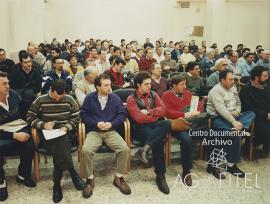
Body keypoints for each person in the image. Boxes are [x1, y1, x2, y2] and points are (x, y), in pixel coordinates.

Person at [127, 71, 189, 194]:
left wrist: (149, 112)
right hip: (140, 128)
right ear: (138, 85)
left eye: (150, 83)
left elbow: (164, 110)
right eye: (146, 84)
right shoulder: (131, 99)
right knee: (159, 141)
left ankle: (145, 149)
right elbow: (138, 118)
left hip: (155, 125)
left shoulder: (153, 94)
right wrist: (155, 114)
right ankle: (160, 176)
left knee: (167, 123)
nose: (150, 86)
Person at [26, 80, 84, 203]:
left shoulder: (69, 99)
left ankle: (57, 185)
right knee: (61, 147)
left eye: (61, 97)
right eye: (57, 97)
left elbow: (77, 117)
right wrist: (43, 124)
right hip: (48, 134)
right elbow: (29, 117)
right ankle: (73, 173)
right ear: (51, 91)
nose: (59, 100)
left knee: (61, 144)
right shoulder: (40, 100)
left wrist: (67, 127)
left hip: (65, 133)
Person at [80, 74, 131, 198]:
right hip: (94, 131)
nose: (109, 87)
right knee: (86, 150)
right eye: (106, 85)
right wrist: (96, 123)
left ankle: (118, 178)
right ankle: (90, 179)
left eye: (109, 84)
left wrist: (111, 124)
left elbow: (122, 114)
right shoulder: (89, 98)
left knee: (124, 149)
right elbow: (83, 115)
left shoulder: (115, 98)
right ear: (98, 87)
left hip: (110, 131)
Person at [207, 70, 255, 178]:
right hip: (219, 117)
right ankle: (231, 165)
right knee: (235, 135)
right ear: (222, 80)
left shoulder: (233, 88)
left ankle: (239, 127)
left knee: (251, 113)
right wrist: (233, 121)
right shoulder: (216, 91)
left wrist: (237, 112)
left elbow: (238, 103)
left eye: (233, 79)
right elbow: (221, 110)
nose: (233, 81)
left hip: (234, 115)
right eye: (230, 79)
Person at [0, 72, 36, 202]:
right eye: (4, 84)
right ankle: (1, 183)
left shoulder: (14, 95)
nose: (8, 86)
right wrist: (14, 135)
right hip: (3, 134)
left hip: (17, 128)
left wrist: (25, 131)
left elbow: (24, 116)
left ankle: (22, 175)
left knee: (30, 144)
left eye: (8, 83)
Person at [240, 66, 270, 156]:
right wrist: (266, 115)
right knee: (267, 132)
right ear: (257, 77)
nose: (267, 78)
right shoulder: (246, 90)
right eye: (265, 76)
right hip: (254, 117)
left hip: (267, 115)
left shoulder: (266, 87)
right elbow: (248, 108)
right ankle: (249, 145)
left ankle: (264, 144)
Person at [9, 52, 42, 119]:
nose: (28, 64)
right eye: (25, 62)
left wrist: (31, 91)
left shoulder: (36, 70)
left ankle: (30, 117)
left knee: (29, 94)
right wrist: (24, 91)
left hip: (32, 93)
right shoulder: (15, 71)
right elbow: (13, 86)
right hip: (19, 93)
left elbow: (38, 86)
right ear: (21, 63)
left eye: (29, 61)